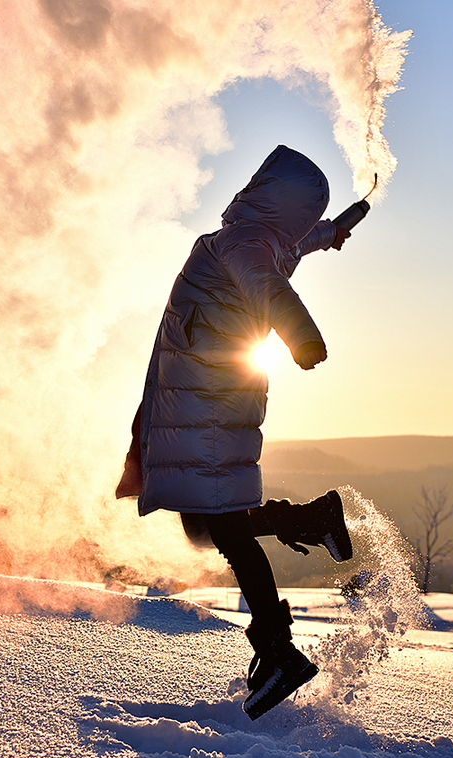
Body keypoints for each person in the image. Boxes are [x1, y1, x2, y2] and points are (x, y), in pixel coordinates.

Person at [116, 145, 353, 720]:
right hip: (203, 397)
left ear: (263, 190)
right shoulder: (261, 240)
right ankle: (309, 520)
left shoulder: (245, 244)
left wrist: (300, 335)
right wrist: (337, 228)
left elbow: (267, 286)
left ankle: (276, 651)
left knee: (219, 526)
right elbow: (296, 246)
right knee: (205, 525)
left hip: (207, 404)